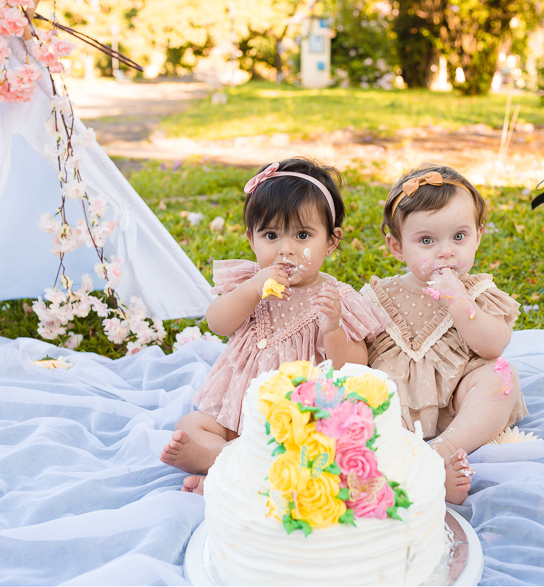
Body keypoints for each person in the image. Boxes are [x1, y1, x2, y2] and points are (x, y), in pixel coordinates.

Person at [161, 158, 387, 493]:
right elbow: (218, 322)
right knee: (192, 424)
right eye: (271, 235)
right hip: (236, 415)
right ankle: (229, 460)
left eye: (302, 235)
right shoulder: (249, 283)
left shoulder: (335, 298)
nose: (286, 249)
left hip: (298, 419)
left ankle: (223, 470)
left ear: (331, 241)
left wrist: (333, 329)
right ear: (251, 239)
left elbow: (356, 367)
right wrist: (251, 290)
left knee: (318, 449)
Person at [361, 164, 528, 504]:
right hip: (397, 406)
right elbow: (356, 356)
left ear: (478, 235)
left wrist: (459, 302)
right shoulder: (382, 296)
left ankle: (445, 448)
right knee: (360, 394)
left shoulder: (477, 291)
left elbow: (494, 344)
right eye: (426, 241)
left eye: (459, 237)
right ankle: (398, 465)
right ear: (397, 247)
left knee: (500, 376)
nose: (446, 251)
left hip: (457, 400)